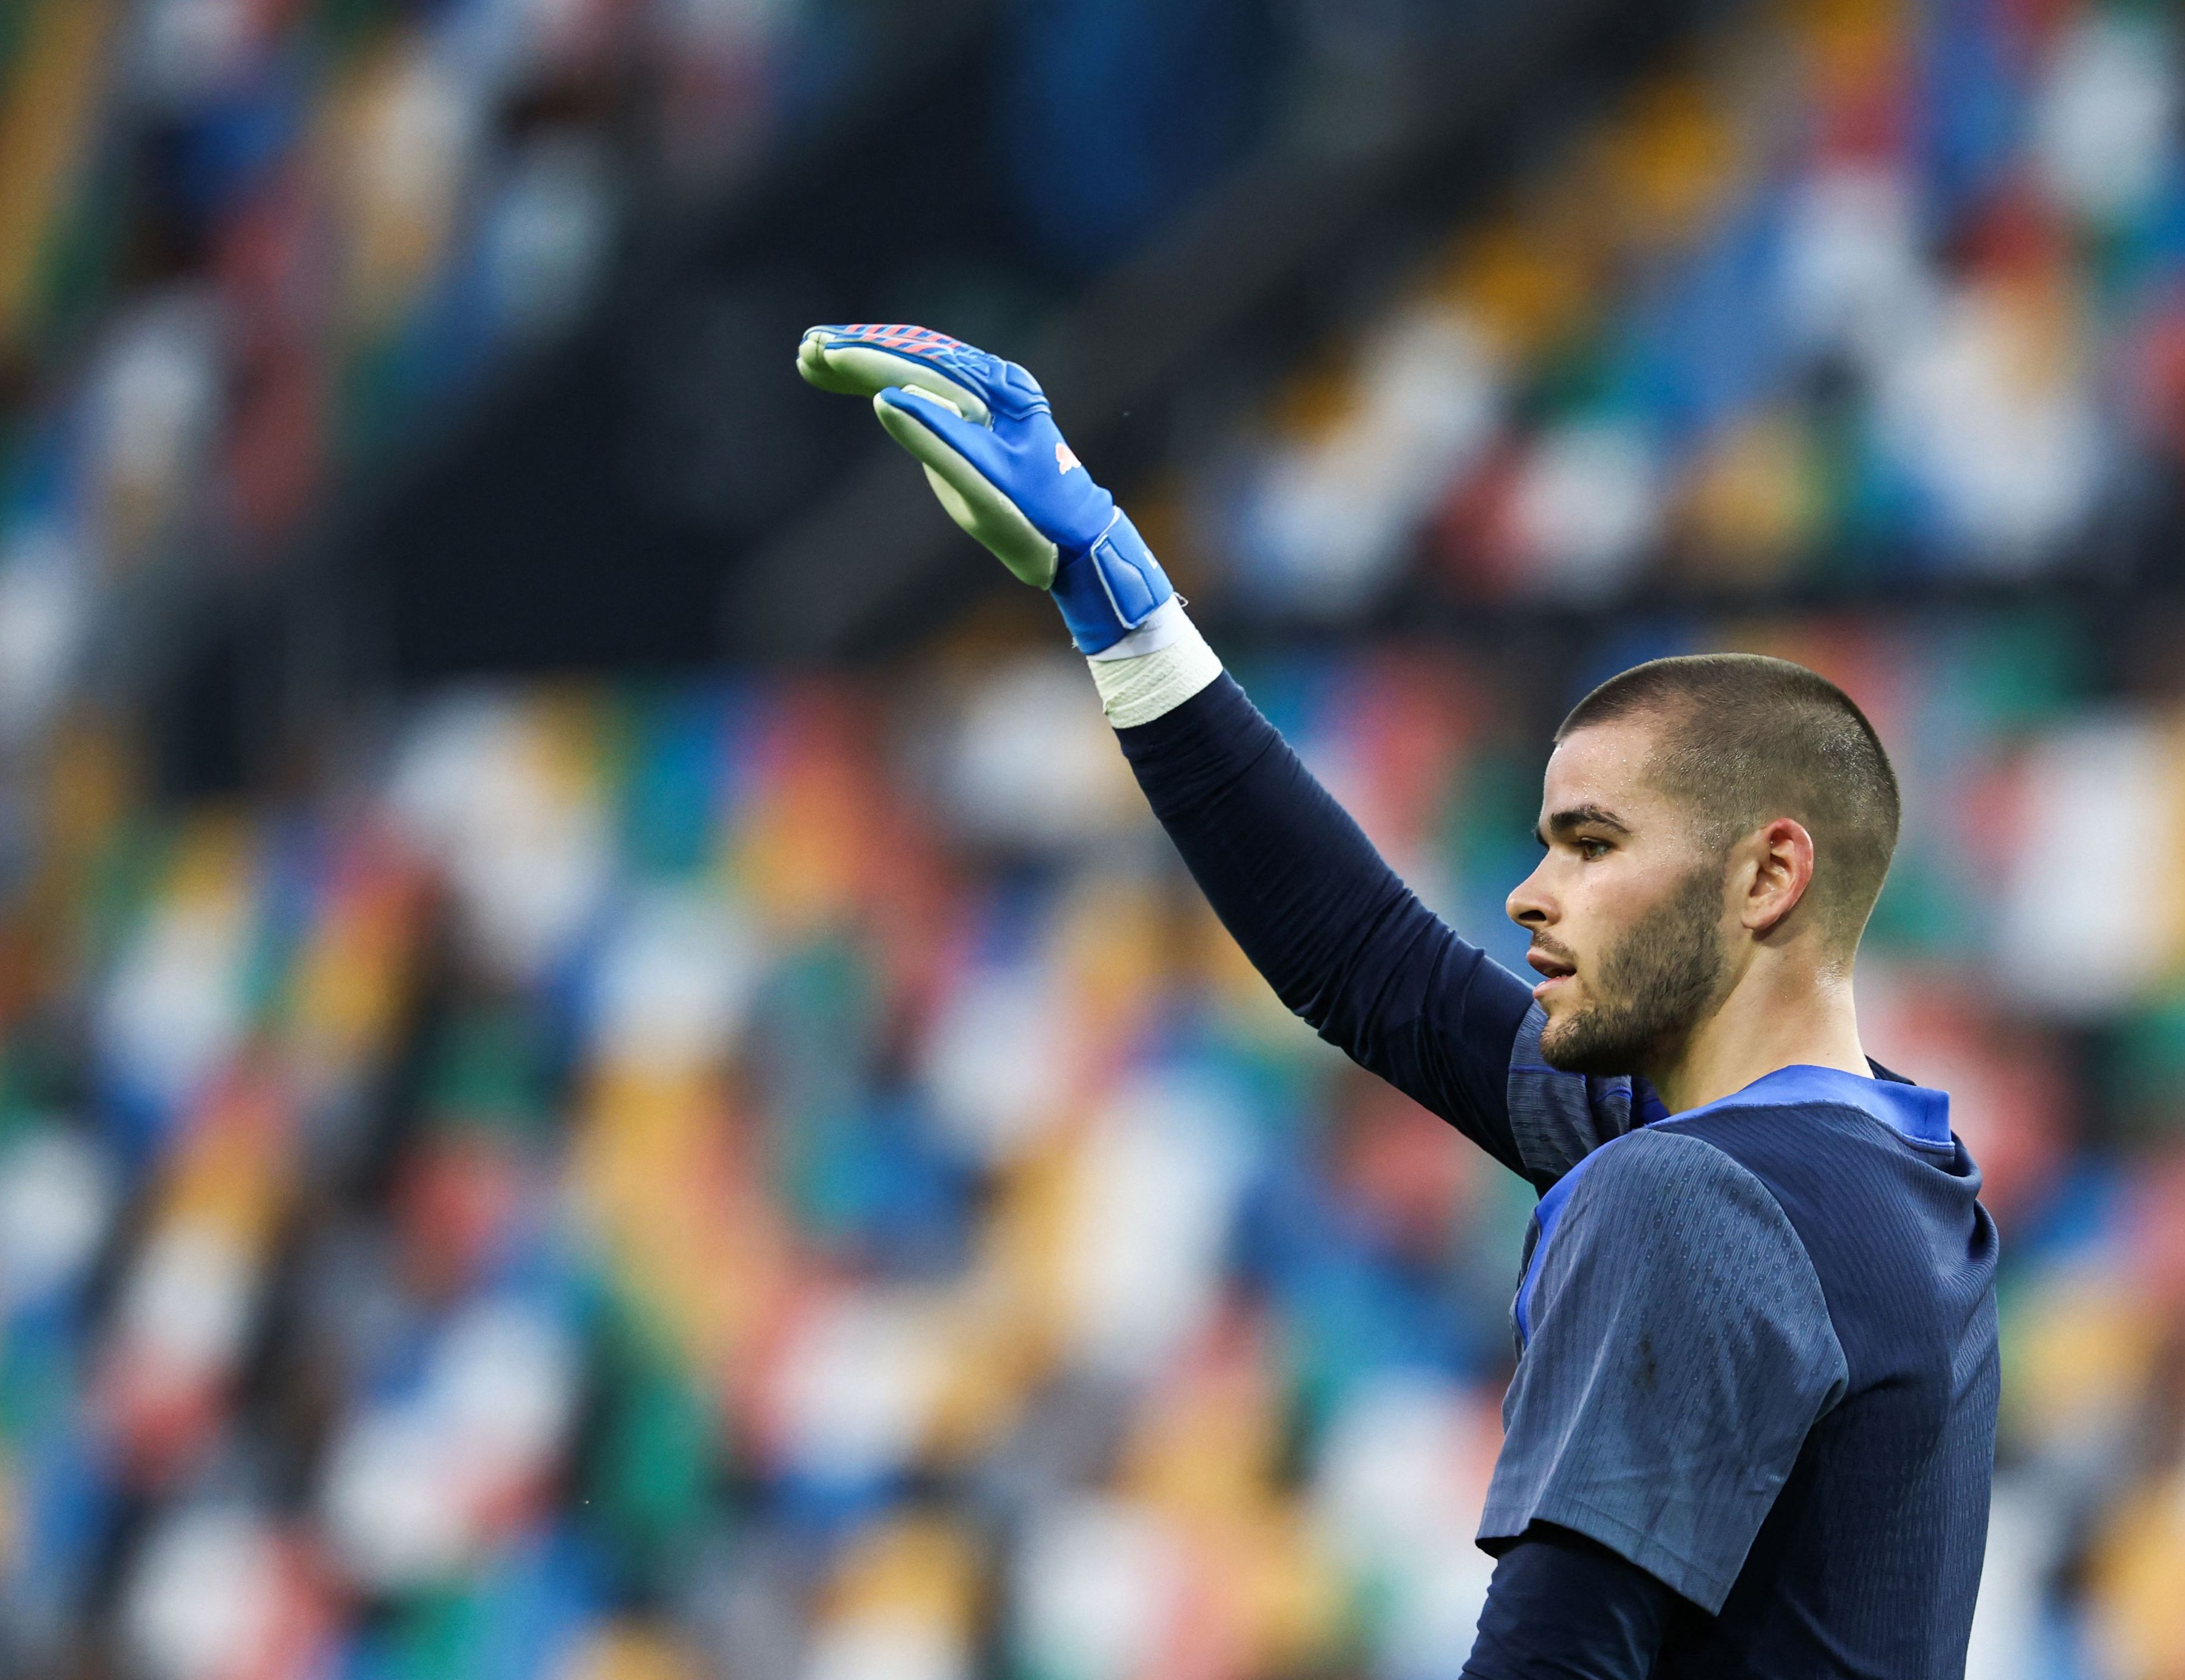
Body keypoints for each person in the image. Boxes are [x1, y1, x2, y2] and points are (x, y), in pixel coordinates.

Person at [799, 323, 2000, 1679]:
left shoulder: (1692, 1198)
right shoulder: (1902, 1177)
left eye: (1594, 846)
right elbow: (1374, 971)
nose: (1530, 894)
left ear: (1769, 873)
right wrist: (1116, 597)